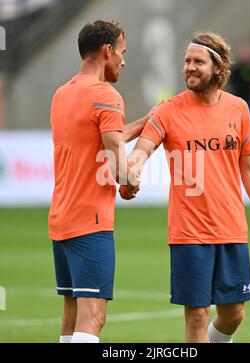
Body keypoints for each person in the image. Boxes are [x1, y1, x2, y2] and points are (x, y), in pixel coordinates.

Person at [120, 32, 250, 343]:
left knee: (234, 313)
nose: (189, 68)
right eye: (186, 61)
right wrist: (133, 170)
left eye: (198, 62)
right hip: (189, 231)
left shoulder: (239, 109)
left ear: (218, 68)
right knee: (197, 316)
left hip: (232, 227)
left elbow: (249, 169)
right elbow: (142, 150)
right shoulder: (167, 110)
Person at [49, 20, 148, 343]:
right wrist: (131, 180)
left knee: (72, 315)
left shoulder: (63, 94)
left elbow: (103, 138)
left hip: (62, 220)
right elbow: (118, 161)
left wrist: (147, 121)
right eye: (122, 51)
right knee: (93, 318)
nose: (124, 60)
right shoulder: (107, 95)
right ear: (107, 51)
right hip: (90, 221)